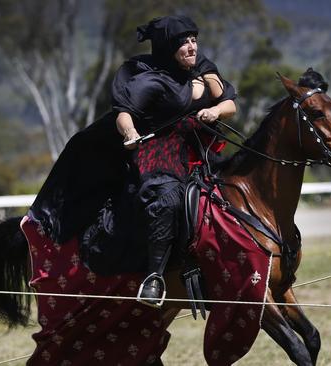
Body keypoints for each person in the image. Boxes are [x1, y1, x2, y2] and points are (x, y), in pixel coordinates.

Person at [27, 15, 237, 307]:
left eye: (193, 40)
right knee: (166, 198)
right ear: (167, 47)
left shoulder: (201, 67)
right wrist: (130, 133)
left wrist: (215, 111)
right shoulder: (149, 80)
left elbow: (228, 101)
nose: (192, 47)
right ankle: (154, 278)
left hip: (198, 150)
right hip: (158, 152)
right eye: (184, 42)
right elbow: (124, 113)